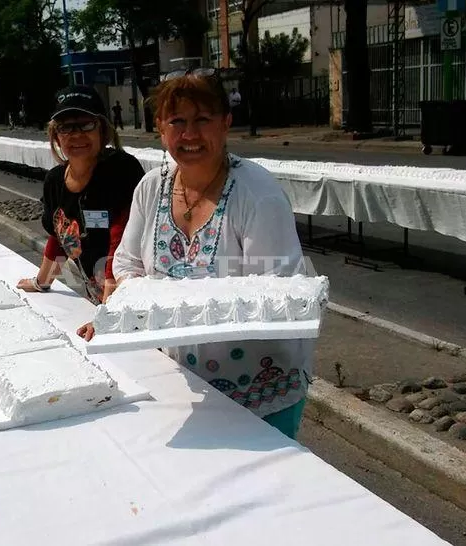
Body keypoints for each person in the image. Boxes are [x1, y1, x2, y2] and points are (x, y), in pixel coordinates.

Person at [84, 69, 313, 440]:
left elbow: (272, 293)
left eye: (202, 120)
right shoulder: (151, 188)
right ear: (161, 128)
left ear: (226, 123)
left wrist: (165, 308)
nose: (190, 135)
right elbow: (127, 263)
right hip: (181, 380)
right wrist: (119, 314)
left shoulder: (256, 194)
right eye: (177, 121)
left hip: (258, 387)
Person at [16, 85, 146, 304]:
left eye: (86, 124)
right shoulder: (55, 181)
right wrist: (42, 282)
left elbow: (121, 240)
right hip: (101, 298)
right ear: (56, 137)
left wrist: (108, 312)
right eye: (66, 128)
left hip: (130, 295)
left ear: (103, 130)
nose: (76, 135)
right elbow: (60, 236)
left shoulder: (121, 169)